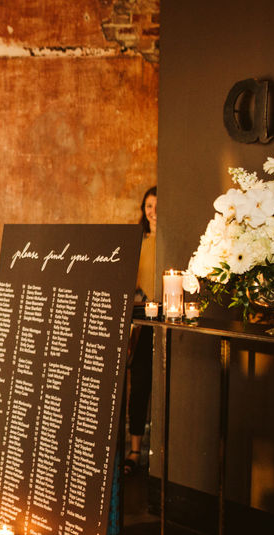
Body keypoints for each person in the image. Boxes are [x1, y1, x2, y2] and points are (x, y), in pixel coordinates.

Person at [125, 187, 156, 474]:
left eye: (157, 206)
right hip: (143, 320)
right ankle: (134, 450)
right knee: (140, 384)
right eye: (148, 206)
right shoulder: (139, 239)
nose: (152, 211)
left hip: (167, 318)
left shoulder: (173, 238)